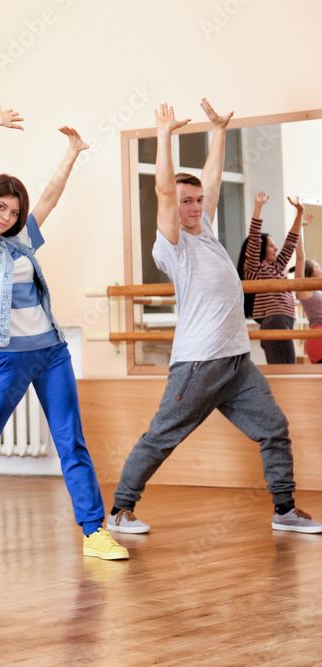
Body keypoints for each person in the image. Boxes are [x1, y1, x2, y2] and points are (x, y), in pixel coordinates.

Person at [108, 100, 322, 535]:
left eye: (197, 201)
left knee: (274, 428)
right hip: (200, 362)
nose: (193, 206)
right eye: (185, 202)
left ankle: (284, 509)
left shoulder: (202, 228)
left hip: (237, 359)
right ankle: (118, 511)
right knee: (161, 438)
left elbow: (211, 181)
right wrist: (164, 136)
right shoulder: (171, 244)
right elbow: (165, 192)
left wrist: (220, 130)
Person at [0, 109, 128, 563]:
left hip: (51, 353)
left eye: (14, 210)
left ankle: (93, 531)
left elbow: (50, 199)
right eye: (0, 206)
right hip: (6, 359)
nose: (8, 216)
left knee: (71, 443)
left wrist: (72, 154)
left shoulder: (20, 240)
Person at [237, 191, 303, 364]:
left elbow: (291, 242)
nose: (276, 249)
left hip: (284, 320)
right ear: (261, 250)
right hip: (275, 320)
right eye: (271, 246)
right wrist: (258, 207)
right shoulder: (255, 270)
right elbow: (254, 239)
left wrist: (299, 213)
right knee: (287, 368)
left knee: (287, 365)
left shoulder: (276, 268)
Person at [293, 207, 322, 363]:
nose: (321, 269)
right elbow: (300, 257)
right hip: (318, 339)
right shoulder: (306, 292)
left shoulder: (318, 290)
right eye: (317, 267)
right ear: (309, 272)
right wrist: (300, 227)